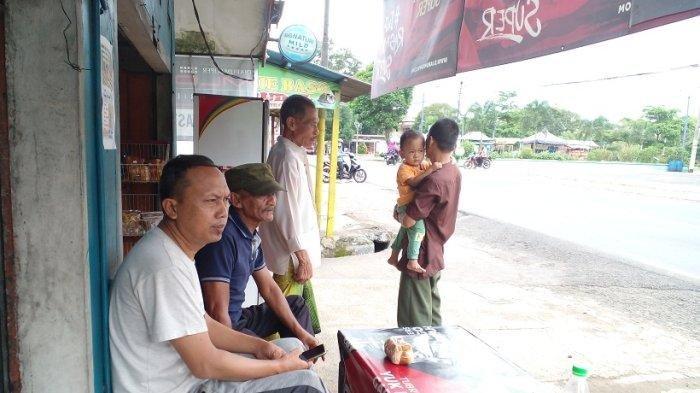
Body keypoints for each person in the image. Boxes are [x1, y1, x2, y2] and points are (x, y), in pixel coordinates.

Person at [109, 155, 326, 393]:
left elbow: (204, 323)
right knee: (306, 383)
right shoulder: (164, 267)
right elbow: (205, 364)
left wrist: (258, 346)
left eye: (225, 200)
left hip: (192, 378)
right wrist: (280, 367)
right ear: (172, 208)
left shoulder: (176, 252)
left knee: (292, 346)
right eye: (211, 201)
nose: (223, 212)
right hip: (184, 386)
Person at [195, 163, 319, 350]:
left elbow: (268, 288)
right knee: (275, 351)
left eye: (273, 193)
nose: (272, 201)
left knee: (296, 304)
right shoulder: (224, 238)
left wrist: (301, 332)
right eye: (263, 194)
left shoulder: (250, 235)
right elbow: (217, 313)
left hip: (239, 318)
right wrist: (244, 353)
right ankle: (293, 369)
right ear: (236, 200)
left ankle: (303, 359)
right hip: (223, 329)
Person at [259, 94, 322, 334]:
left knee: (290, 314)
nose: (316, 130)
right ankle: (276, 363)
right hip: (290, 258)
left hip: (292, 255)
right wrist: (302, 257)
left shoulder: (291, 152)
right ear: (292, 123)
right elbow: (283, 212)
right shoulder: (285, 156)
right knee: (282, 318)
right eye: (312, 123)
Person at [394, 119, 462, 328]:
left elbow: (408, 220)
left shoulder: (434, 180)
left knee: (414, 324)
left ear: (431, 141)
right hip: (436, 254)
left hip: (420, 256)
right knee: (433, 318)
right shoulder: (454, 172)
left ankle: (419, 362)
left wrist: (397, 214)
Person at [387, 130, 443, 274]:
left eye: (420, 151)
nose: (417, 155)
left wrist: (435, 165)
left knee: (404, 231)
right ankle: (412, 260)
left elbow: (434, 164)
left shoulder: (422, 165)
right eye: (412, 152)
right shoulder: (404, 169)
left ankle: (393, 256)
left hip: (409, 205)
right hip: (406, 206)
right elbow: (414, 183)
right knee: (419, 230)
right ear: (402, 153)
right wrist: (430, 170)